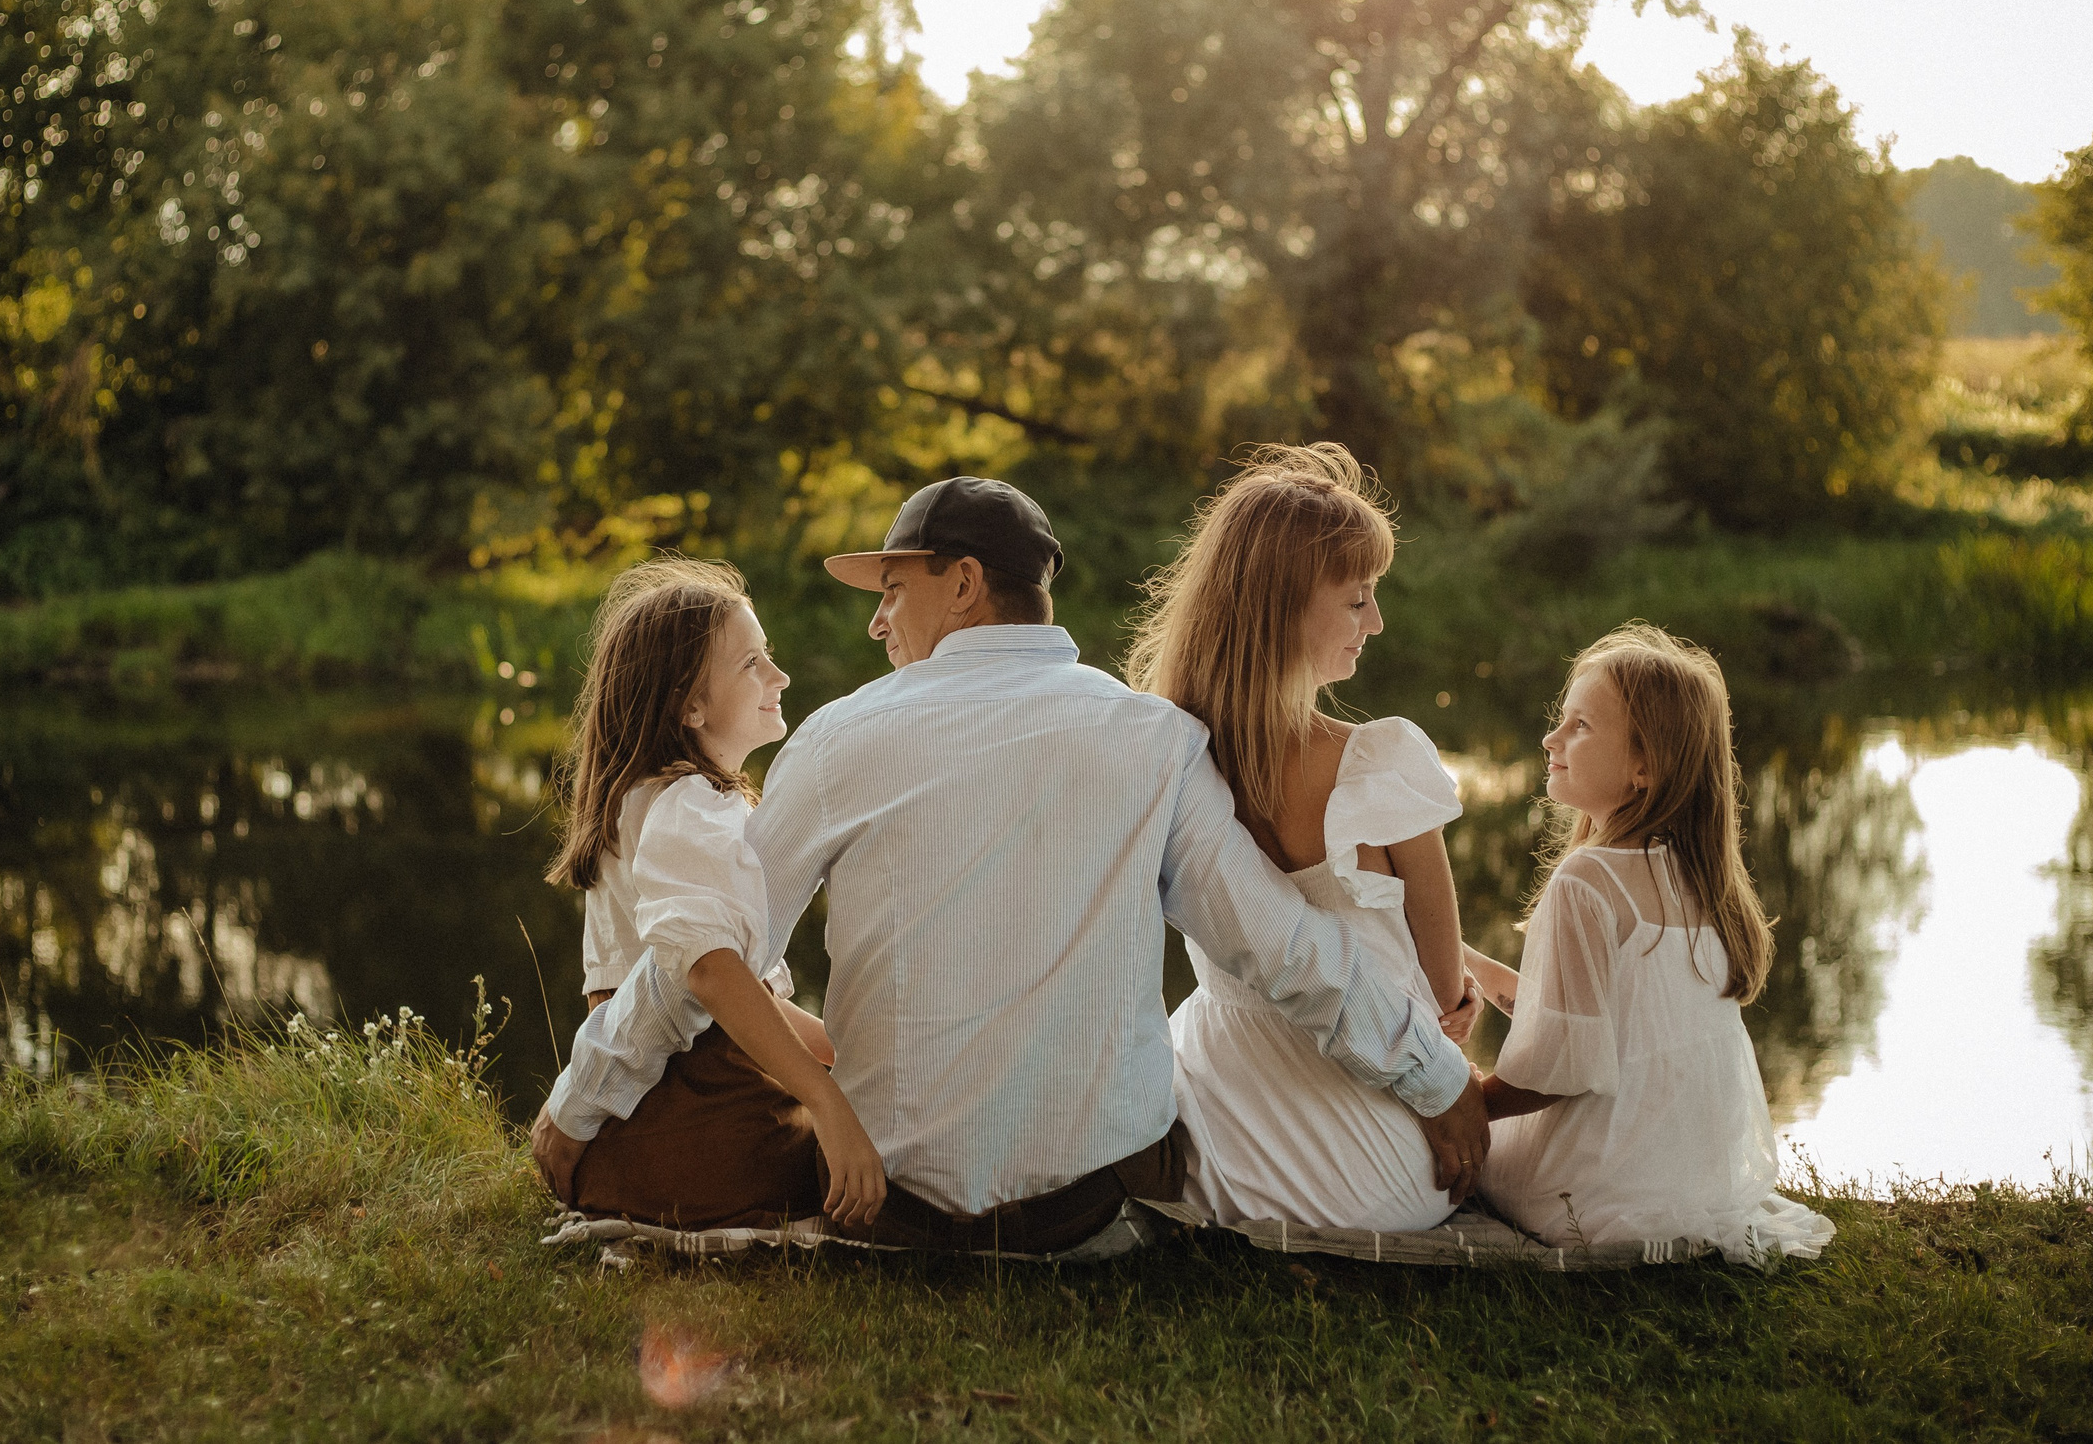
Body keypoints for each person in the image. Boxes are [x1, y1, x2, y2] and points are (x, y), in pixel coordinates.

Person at [533, 476, 1491, 1255]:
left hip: (896, 1208)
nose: (877, 624)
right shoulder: (1153, 740)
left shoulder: (834, 741)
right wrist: (1435, 1080)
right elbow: (1282, 952)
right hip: (1088, 1216)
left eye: (893, 590)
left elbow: (703, 958)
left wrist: (578, 1106)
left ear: (963, 583)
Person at [1132, 444, 1520, 1232]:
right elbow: (1442, 997)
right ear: (1280, 609)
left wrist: (1466, 964)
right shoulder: (1377, 765)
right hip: (1376, 1152)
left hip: (1218, 1113)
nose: (1376, 622)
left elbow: (1325, 920)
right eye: (1357, 600)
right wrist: (1461, 989)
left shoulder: (1168, 754)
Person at [527, 557, 886, 1231]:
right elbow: (712, 976)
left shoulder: (644, 799)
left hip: (629, 1146)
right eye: (752, 663)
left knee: (871, 1094)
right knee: (906, 1153)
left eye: (769, 656)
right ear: (688, 706)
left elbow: (743, 999)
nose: (778, 677)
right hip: (700, 1143)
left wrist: (848, 1056)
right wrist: (832, 1108)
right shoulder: (692, 806)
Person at [1476, 623, 1836, 1262]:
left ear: (1645, 766)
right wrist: (1462, 960)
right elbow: (1594, 1016)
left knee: (1417, 1115)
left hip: (1585, 1192)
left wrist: (1468, 1104)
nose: (1550, 739)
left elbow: (1561, 1068)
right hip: (1690, 1182)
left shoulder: (1586, 879)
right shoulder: (1702, 877)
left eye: (1580, 727)